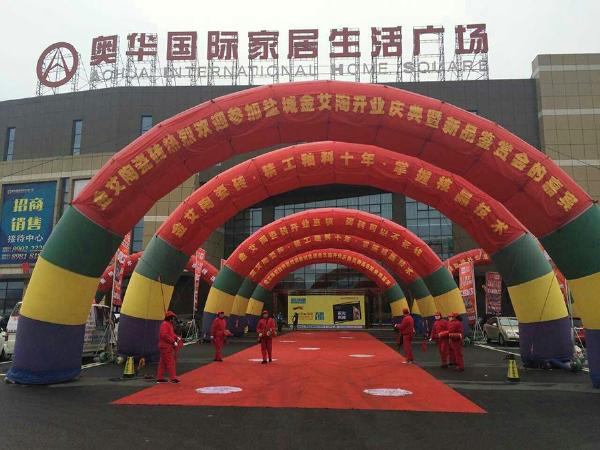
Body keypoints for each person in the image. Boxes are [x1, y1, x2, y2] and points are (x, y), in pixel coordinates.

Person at [156, 311, 181, 383]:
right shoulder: (165, 324)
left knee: (163, 363)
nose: (173, 319)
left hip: (165, 346)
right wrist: (173, 341)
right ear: (170, 318)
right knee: (170, 362)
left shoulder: (168, 324)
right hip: (166, 346)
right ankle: (173, 378)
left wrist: (176, 337)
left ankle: (160, 377)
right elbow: (164, 335)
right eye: (173, 318)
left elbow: (170, 334)